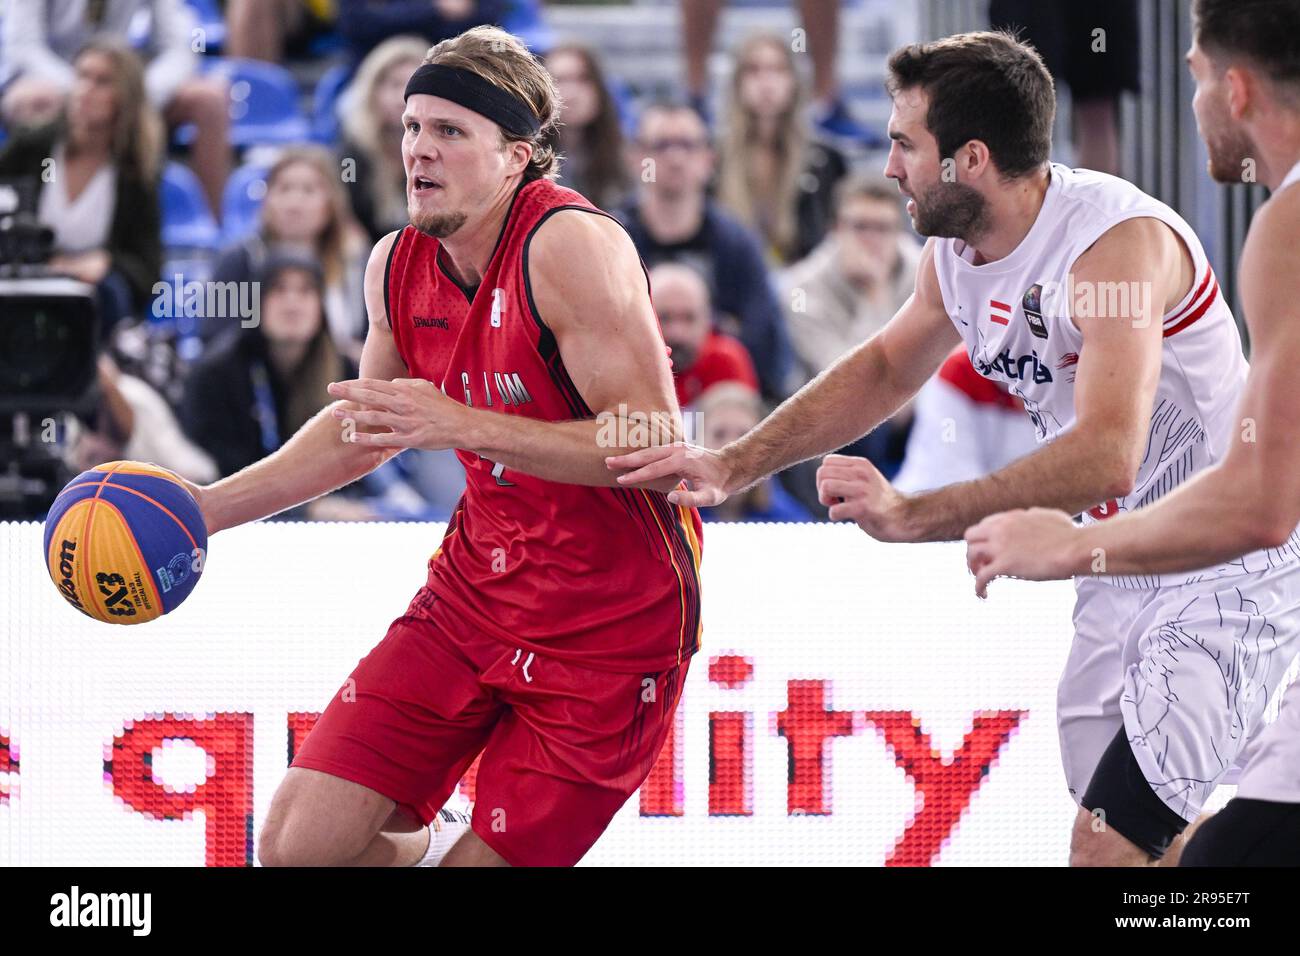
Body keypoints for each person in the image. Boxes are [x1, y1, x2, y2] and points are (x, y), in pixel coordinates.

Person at [607, 29, 1300, 868]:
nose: (890, 164)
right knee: (1154, 847)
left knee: (1106, 847)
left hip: (1220, 559)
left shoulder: (1116, 247)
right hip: (1116, 568)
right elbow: (888, 364)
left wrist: (915, 512)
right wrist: (733, 462)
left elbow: (1108, 455)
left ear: (970, 159)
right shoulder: (955, 250)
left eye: (906, 144)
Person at [181, 26, 701, 867]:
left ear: (517, 156)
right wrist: (204, 511)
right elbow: (369, 428)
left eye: (450, 131)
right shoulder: (395, 262)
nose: (419, 149)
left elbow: (653, 439)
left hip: (613, 624)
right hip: (475, 593)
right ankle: (433, 844)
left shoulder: (571, 244)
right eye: (412, 128)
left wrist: (460, 423)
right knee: (294, 850)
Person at [965, 0, 1300, 867]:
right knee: (1160, 854)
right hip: (1181, 578)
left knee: (1143, 858)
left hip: (1227, 575)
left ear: (1234, 88)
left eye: (1190, 80)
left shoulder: (1284, 231)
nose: (1189, 108)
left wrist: (1075, 548)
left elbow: (1259, 506)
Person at [616, 99, 793, 400]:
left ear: (709, 159)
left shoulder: (738, 245)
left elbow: (764, 349)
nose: (675, 157)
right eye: (661, 145)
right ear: (635, 157)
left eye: (688, 145)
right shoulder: (609, 240)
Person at [1, 0, 231, 217]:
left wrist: (139, 91)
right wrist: (84, 89)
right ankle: (37, 222)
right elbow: (24, 48)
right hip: (51, 78)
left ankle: (213, 231)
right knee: (35, 101)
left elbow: (180, 47)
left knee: (210, 99)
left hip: (121, 79)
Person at [0, 39, 163, 332]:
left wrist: (108, 262)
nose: (85, 90)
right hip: (22, 281)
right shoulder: (34, 147)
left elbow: (149, 267)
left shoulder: (134, 173)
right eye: (82, 76)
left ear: (124, 98)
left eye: (102, 82)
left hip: (88, 302)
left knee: (111, 292)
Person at [210, 146, 369, 359]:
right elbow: (213, 341)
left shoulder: (356, 263)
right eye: (284, 189)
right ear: (267, 201)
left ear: (331, 204)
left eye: (308, 190)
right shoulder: (240, 260)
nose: (294, 204)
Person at [715, 32, 847, 265]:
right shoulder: (713, 157)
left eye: (778, 70)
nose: (766, 83)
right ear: (737, 83)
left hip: (806, 284)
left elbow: (837, 242)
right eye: (753, 70)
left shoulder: (826, 160)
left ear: (794, 82)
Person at [893, 347, 1037, 494]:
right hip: (927, 497)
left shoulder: (1056, 378)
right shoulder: (956, 373)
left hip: (1008, 506)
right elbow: (952, 474)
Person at [338, 36, 429, 243]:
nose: (403, 97)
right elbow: (344, 211)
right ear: (372, 92)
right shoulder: (351, 157)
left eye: (412, 84)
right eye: (394, 84)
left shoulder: (446, 152)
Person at [650, 262, 758, 411]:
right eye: (664, 318)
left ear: (707, 319)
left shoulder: (726, 361)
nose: (677, 333)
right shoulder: (629, 364)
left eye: (689, 318)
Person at [543, 42, 630, 211]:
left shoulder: (627, 159)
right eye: (559, 80)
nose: (571, 93)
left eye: (582, 79)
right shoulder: (523, 161)